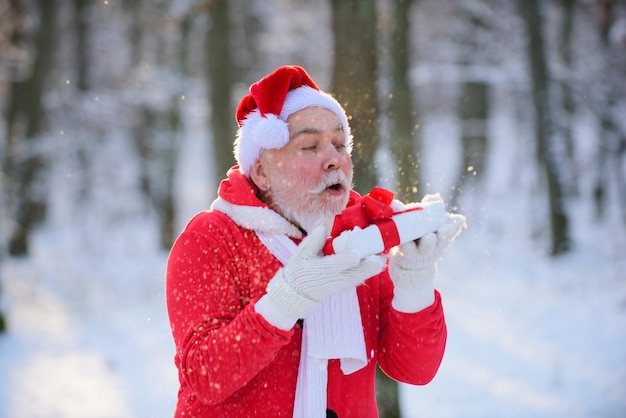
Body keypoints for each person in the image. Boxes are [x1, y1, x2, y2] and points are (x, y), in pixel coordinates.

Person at [165, 65, 466, 418]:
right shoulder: (212, 238)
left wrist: (415, 283)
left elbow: (415, 369)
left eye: (340, 144)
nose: (335, 159)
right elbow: (204, 377)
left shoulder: (360, 238)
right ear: (261, 172)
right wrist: (286, 300)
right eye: (309, 146)